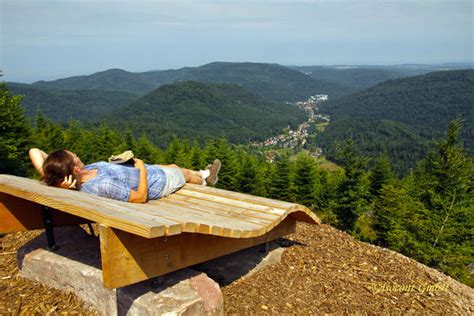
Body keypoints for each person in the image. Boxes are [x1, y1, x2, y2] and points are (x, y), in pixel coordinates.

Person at [29, 148, 221, 203]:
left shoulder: (81, 175)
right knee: (184, 173)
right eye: (75, 157)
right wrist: (143, 169)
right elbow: (139, 197)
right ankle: (205, 179)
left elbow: (34, 151)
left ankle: (205, 172)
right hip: (156, 182)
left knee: (172, 165)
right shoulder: (101, 184)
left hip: (137, 170)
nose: (78, 156)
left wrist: (57, 184)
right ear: (76, 169)